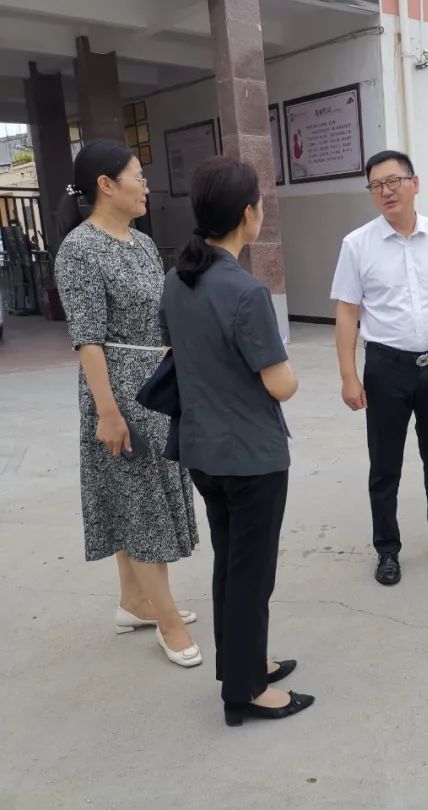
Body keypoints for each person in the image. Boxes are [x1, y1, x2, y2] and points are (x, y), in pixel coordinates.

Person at [161, 156, 314, 724]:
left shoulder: (177, 281)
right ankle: (246, 691)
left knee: (230, 565)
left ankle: (244, 664)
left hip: (203, 449)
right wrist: (289, 370)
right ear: (248, 214)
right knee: (252, 574)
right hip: (251, 455)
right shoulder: (246, 292)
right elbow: (281, 384)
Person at [53, 139, 200, 667]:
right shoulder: (79, 250)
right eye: (137, 176)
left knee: (135, 500)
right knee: (142, 509)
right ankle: (165, 619)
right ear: (105, 185)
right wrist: (108, 413)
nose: (145, 186)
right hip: (116, 393)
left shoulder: (140, 243)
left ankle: (134, 602)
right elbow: (88, 340)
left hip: (155, 386)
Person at [331, 149, 428, 586]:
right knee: (385, 466)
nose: (387, 191)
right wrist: (348, 375)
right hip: (386, 367)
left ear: (415, 183)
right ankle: (387, 549)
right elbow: (347, 313)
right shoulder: (357, 244)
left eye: (394, 181)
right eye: (377, 185)